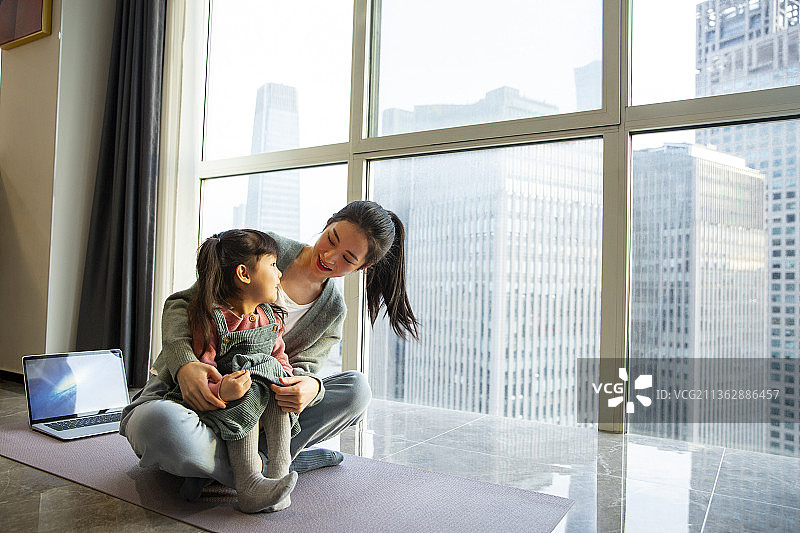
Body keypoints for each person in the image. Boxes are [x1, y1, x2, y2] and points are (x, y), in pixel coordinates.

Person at [120, 200, 419, 503]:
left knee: (357, 391)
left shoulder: (332, 311)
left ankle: (231, 468)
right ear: (328, 223)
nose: (329, 256)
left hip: (263, 410)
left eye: (347, 258)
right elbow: (182, 304)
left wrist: (310, 387)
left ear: (363, 267)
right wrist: (186, 365)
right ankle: (269, 469)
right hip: (196, 395)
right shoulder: (263, 251)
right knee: (159, 425)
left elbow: (298, 372)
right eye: (331, 239)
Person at [161, 229, 298, 513]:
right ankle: (249, 485)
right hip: (223, 404)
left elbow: (279, 356)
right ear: (244, 274)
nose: (280, 274)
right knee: (247, 390)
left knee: (275, 386)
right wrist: (223, 388)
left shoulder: (269, 317)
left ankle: (277, 472)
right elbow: (203, 371)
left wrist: (287, 381)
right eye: (273, 265)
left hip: (267, 400)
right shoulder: (212, 318)